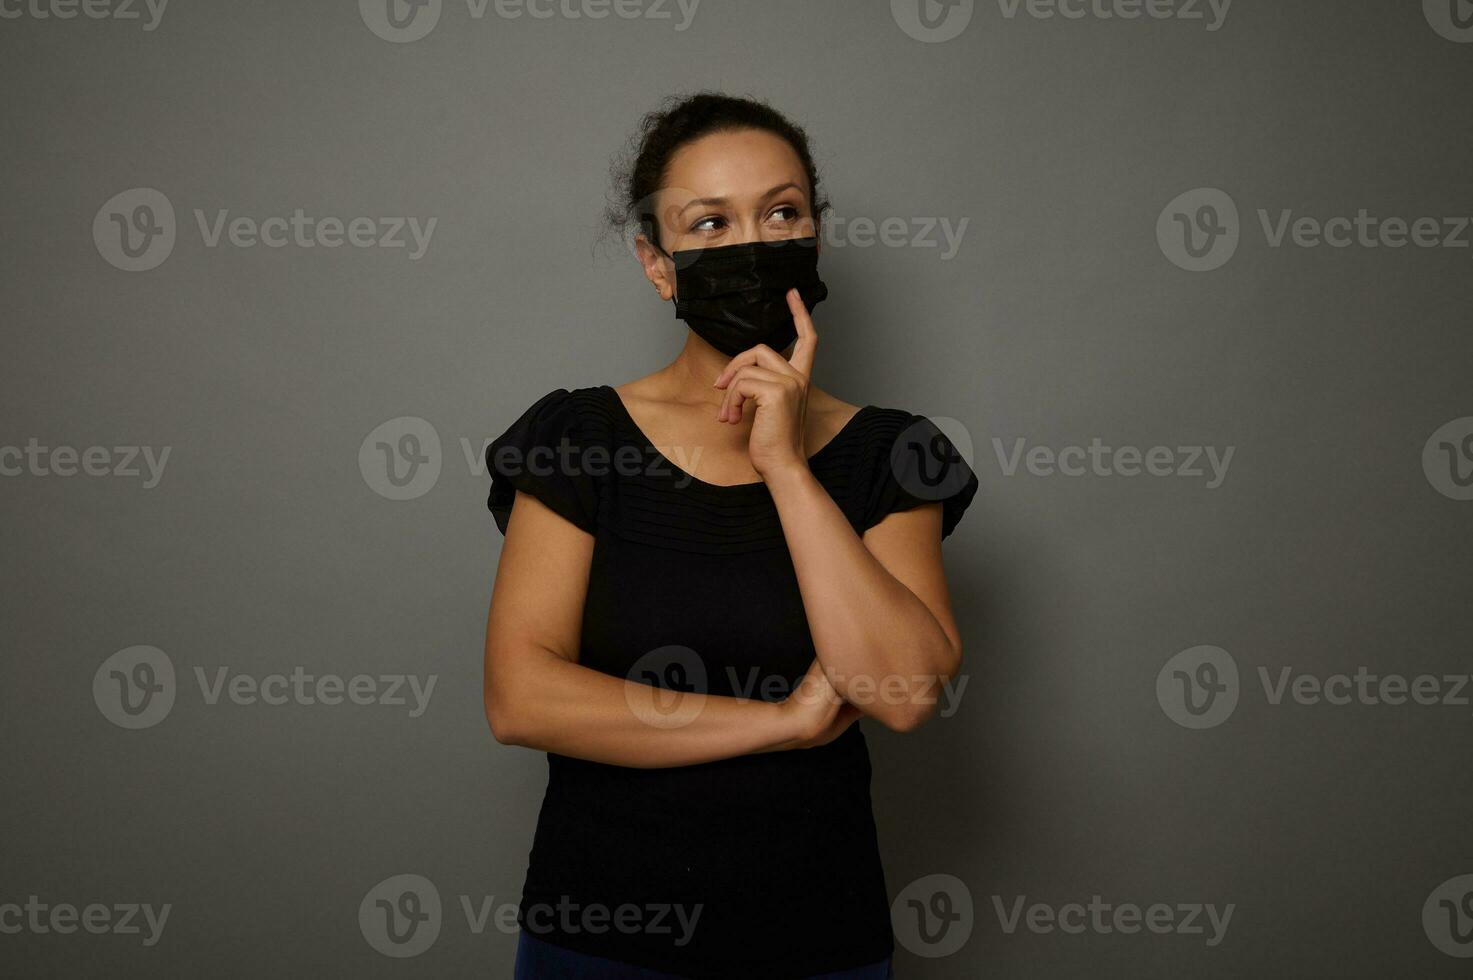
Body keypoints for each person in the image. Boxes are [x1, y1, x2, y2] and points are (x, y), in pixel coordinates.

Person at [483, 91, 977, 980]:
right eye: (709, 224)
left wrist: (786, 465)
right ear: (657, 263)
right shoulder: (579, 439)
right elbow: (522, 699)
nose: (750, 246)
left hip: (816, 940)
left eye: (779, 212)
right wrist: (782, 723)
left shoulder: (890, 454)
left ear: (814, 235)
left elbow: (900, 691)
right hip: (599, 938)